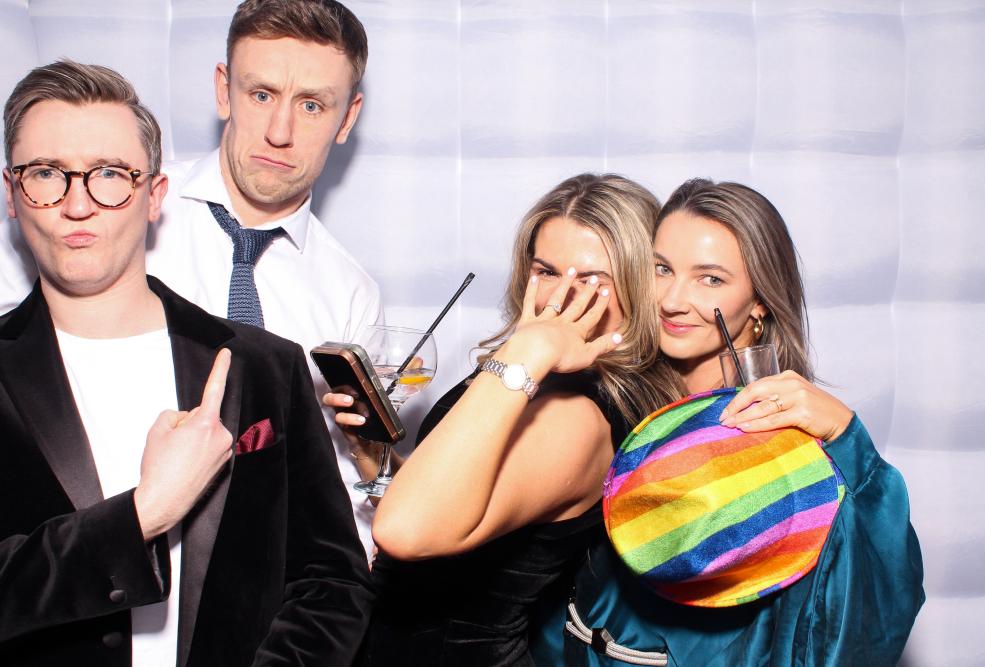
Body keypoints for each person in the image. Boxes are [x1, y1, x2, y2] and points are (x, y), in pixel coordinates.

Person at [0, 60, 372, 665]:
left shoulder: (264, 366)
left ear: (154, 195)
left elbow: (332, 581)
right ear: (13, 195)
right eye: (46, 173)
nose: (78, 204)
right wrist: (142, 515)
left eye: (110, 174)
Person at [561, 178, 924, 666]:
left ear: (759, 300)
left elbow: (867, 612)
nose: (672, 299)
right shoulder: (609, 398)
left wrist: (848, 440)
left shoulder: (793, 442)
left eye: (710, 279)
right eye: (662, 269)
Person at [325, 174, 672, 665]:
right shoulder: (529, 377)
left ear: (639, 287)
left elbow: (405, 530)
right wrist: (373, 453)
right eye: (546, 271)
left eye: (594, 280)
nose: (559, 298)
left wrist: (529, 347)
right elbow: (453, 511)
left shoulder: (575, 414)